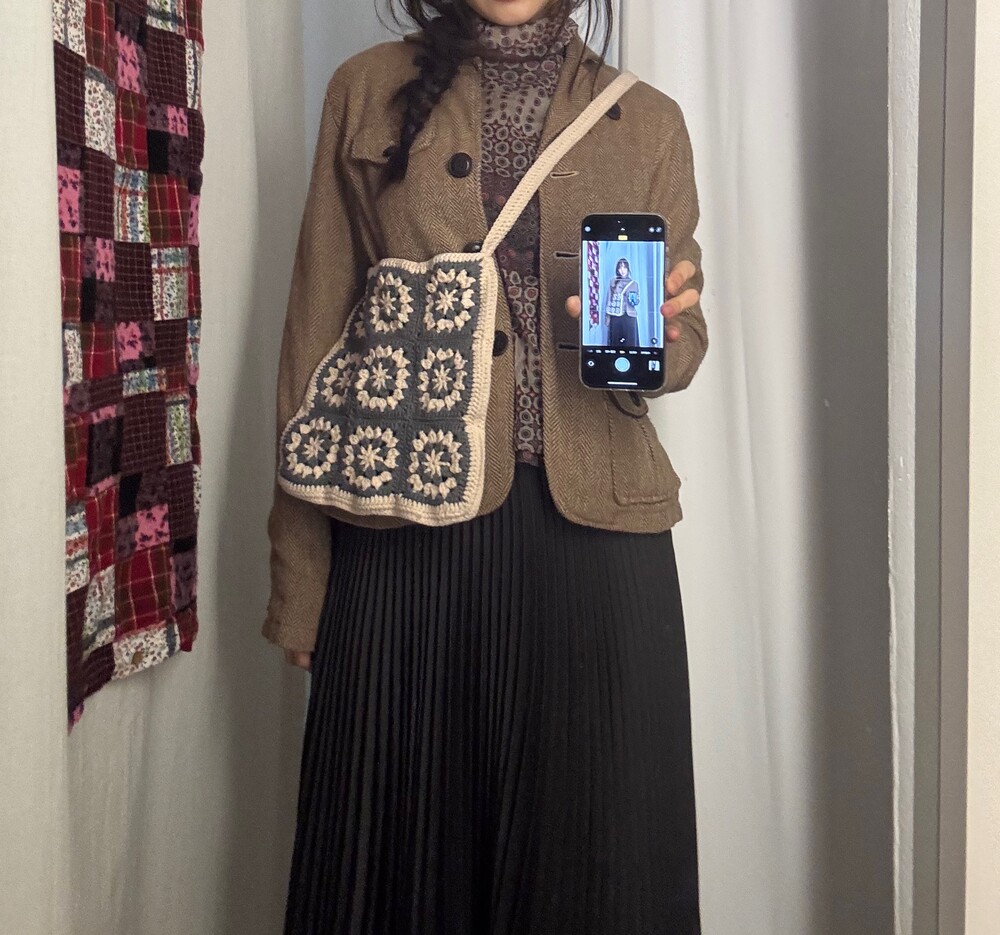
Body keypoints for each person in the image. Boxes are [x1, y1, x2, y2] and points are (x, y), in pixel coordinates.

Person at [263, 0, 708, 931]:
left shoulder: (648, 119)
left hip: (599, 544)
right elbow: (313, 342)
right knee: (397, 869)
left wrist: (663, 338)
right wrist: (301, 582)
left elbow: (682, 341)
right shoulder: (366, 90)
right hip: (403, 535)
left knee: (599, 866)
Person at [605, 256, 641, 346]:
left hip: (630, 316)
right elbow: (609, 299)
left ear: (628, 269)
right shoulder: (613, 282)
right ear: (617, 270)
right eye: (620, 267)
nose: (622, 270)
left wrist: (633, 299)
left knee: (631, 343)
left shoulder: (634, 284)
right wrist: (607, 318)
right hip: (616, 315)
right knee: (615, 343)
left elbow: (637, 301)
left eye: (624, 267)